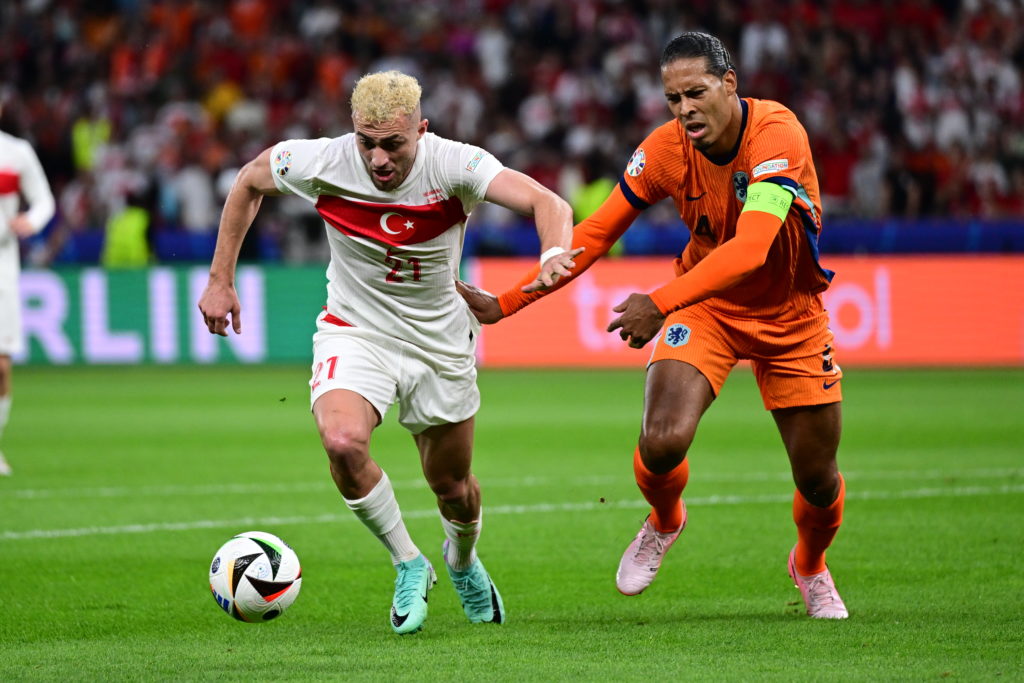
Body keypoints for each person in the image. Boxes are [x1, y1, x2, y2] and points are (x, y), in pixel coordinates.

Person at [458, 32, 848, 619]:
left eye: (696, 92)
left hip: (791, 316)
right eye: (673, 98)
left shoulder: (776, 134)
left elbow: (750, 249)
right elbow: (594, 233)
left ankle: (811, 565)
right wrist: (508, 302)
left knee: (817, 479)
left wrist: (658, 302)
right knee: (662, 440)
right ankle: (666, 520)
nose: (684, 109)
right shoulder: (665, 149)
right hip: (708, 308)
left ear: (730, 84)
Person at [197, 70, 578, 634]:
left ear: (420, 132)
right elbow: (249, 181)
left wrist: (552, 253)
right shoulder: (322, 161)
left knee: (452, 486)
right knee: (342, 442)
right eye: (366, 142)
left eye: (392, 144)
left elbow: (549, 203)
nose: (377, 158)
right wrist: (220, 278)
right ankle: (408, 560)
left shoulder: (454, 164)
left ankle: (462, 560)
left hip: (440, 342)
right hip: (356, 330)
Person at [0, 96, 57, 476]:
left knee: (1, 364)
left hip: (2, 263)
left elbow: (44, 201)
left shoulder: (16, 152)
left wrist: (31, 223)